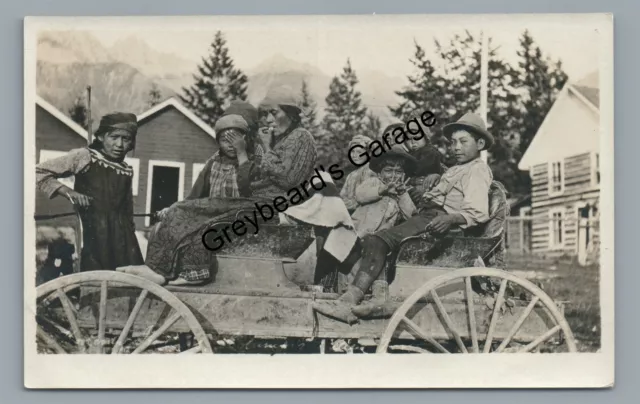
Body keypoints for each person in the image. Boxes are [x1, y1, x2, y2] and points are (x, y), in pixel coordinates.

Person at [312, 112, 495, 323]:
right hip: (429, 214)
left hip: (439, 220)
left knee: (378, 239)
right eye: (453, 142)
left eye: (463, 142)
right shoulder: (458, 169)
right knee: (376, 239)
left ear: (480, 143)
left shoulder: (478, 170)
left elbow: (478, 212)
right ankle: (376, 298)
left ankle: (350, 301)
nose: (456, 147)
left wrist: (451, 219)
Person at [118, 104, 268, 285]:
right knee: (175, 217)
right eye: (225, 140)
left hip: (242, 216)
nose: (231, 145)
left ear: (248, 137)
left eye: (236, 139)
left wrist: (242, 153)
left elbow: (249, 189)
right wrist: (175, 209)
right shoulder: (214, 163)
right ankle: (159, 269)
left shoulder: (257, 161)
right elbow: (195, 196)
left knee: (198, 224)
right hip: (212, 212)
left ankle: (177, 271)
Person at [36, 112, 144, 271]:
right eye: (113, 137)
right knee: (94, 276)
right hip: (92, 230)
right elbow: (40, 171)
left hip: (123, 237)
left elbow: (127, 208)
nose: (119, 144)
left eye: (125, 139)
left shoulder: (126, 170)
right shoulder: (85, 157)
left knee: (128, 279)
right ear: (101, 137)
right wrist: (70, 193)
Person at [350, 145, 417, 238]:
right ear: (379, 173)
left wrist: (402, 193)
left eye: (398, 172)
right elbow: (360, 196)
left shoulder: (401, 192)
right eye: (388, 171)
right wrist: (382, 190)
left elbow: (410, 216)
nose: (393, 176)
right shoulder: (374, 181)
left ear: (403, 174)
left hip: (379, 238)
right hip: (357, 230)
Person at [340, 134, 376, 214]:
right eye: (352, 151)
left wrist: (343, 205)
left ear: (369, 153)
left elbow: (364, 198)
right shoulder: (351, 175)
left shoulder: (371, 171)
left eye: (359, 152)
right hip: (349, 213)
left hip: (364, 214)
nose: (354, 155)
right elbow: (342, 196)